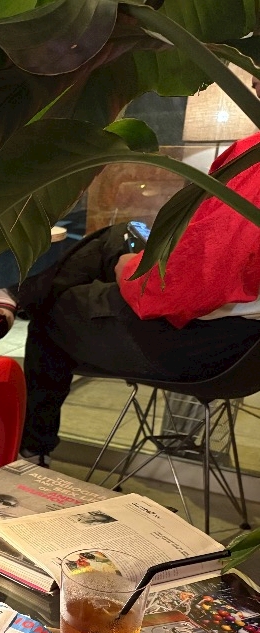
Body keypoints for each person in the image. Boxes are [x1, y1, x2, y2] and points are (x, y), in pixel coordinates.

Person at [16, 130, 260, 465]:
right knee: (121, 234)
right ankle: (15, 299)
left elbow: (188, 288)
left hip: (204, 342)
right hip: (242, 352)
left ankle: (33, 450)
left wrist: (129, 271)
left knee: (52, 314)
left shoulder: (253, 157)